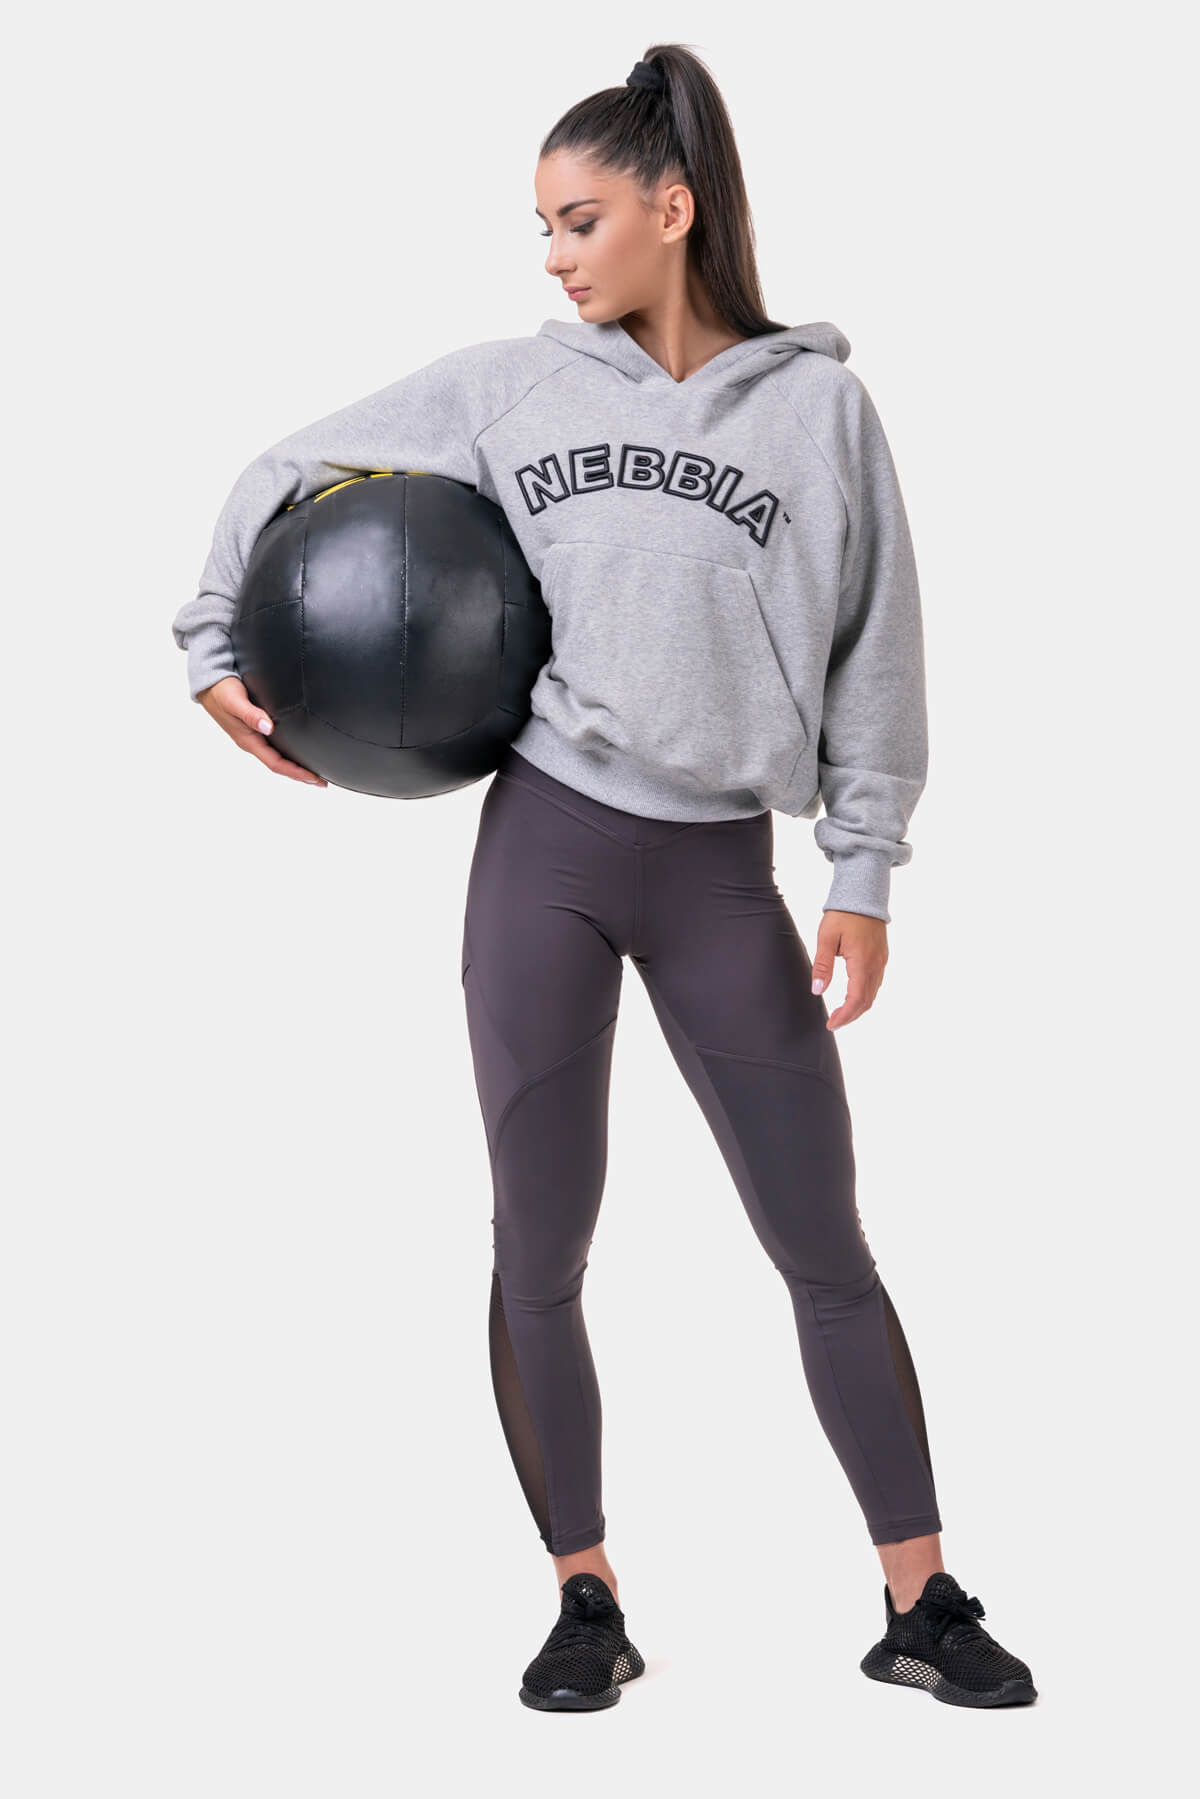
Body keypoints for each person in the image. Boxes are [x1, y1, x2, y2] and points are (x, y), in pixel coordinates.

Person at [172, 41, 1038, 1714]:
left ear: (673, 209)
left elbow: (880, 654)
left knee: (822, 1239)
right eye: (544, 228)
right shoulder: (515, 386)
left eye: (580, 221)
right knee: (542, 1241)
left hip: (720, 872)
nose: (556, 256)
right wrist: (212, 647)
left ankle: (921, 1602)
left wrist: (863, 868)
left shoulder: (820, 411)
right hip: (550, 848)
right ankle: (586, 1596)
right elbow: (285, 466)